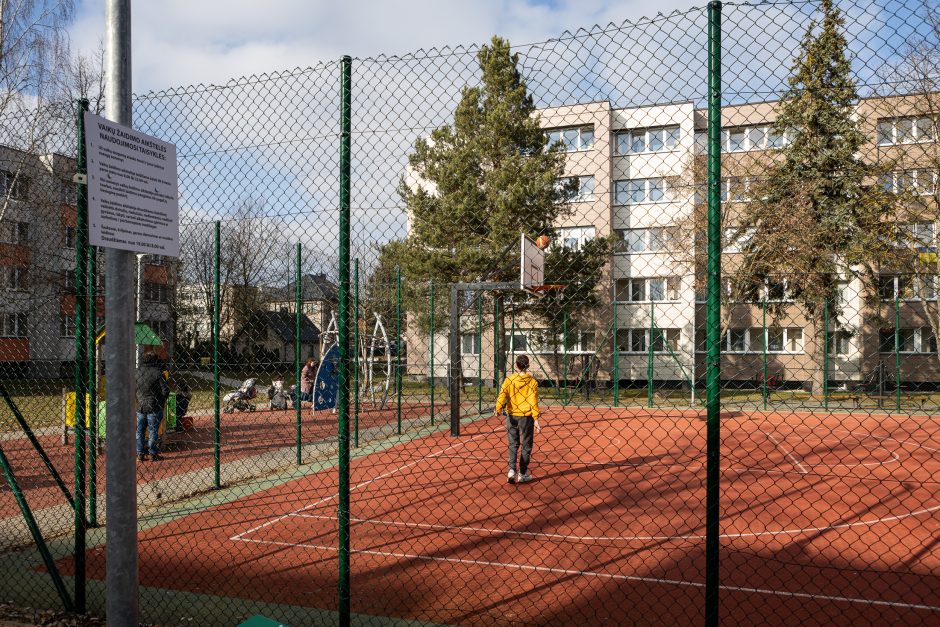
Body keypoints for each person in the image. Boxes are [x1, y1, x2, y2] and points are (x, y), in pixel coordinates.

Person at [495, 354, 541, 484]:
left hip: (512, 415)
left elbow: (502, 394)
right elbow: (533, 400)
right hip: (526, 417)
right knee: (526, 445)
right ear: (528, 366)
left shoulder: (509, 380)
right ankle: (522, 473)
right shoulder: (532, 382)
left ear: (515, 365)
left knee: (513, 444)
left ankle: (511, 470)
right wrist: (536, 418)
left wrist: (498, 408)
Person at [136, 352, 170, 462]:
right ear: (155, 360)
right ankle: (152, 453)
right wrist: (160, 402)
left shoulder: (137, 372)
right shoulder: (158, 373)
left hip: (140, 405)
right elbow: (165, 390)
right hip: (154, 406)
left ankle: (140, 453)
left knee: (140, 431)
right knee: (153, 431)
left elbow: (133, 388)